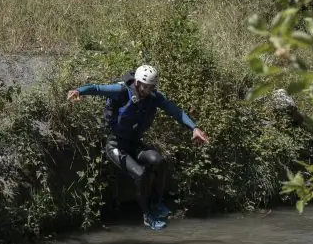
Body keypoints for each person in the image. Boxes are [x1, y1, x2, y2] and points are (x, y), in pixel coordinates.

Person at [66, 65, 210, 230]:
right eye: (144, 86)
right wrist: (79, 91)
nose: (147, 90)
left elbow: (175, 111)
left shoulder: (154, 97)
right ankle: (147, 215)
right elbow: (98, 88)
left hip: (135, 143)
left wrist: (194, 128)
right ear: (136, 82)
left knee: (159, 161)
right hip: (116, 145)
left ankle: (157, 203)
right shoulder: (120, 91)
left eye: (151, 87)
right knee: (140, 174)